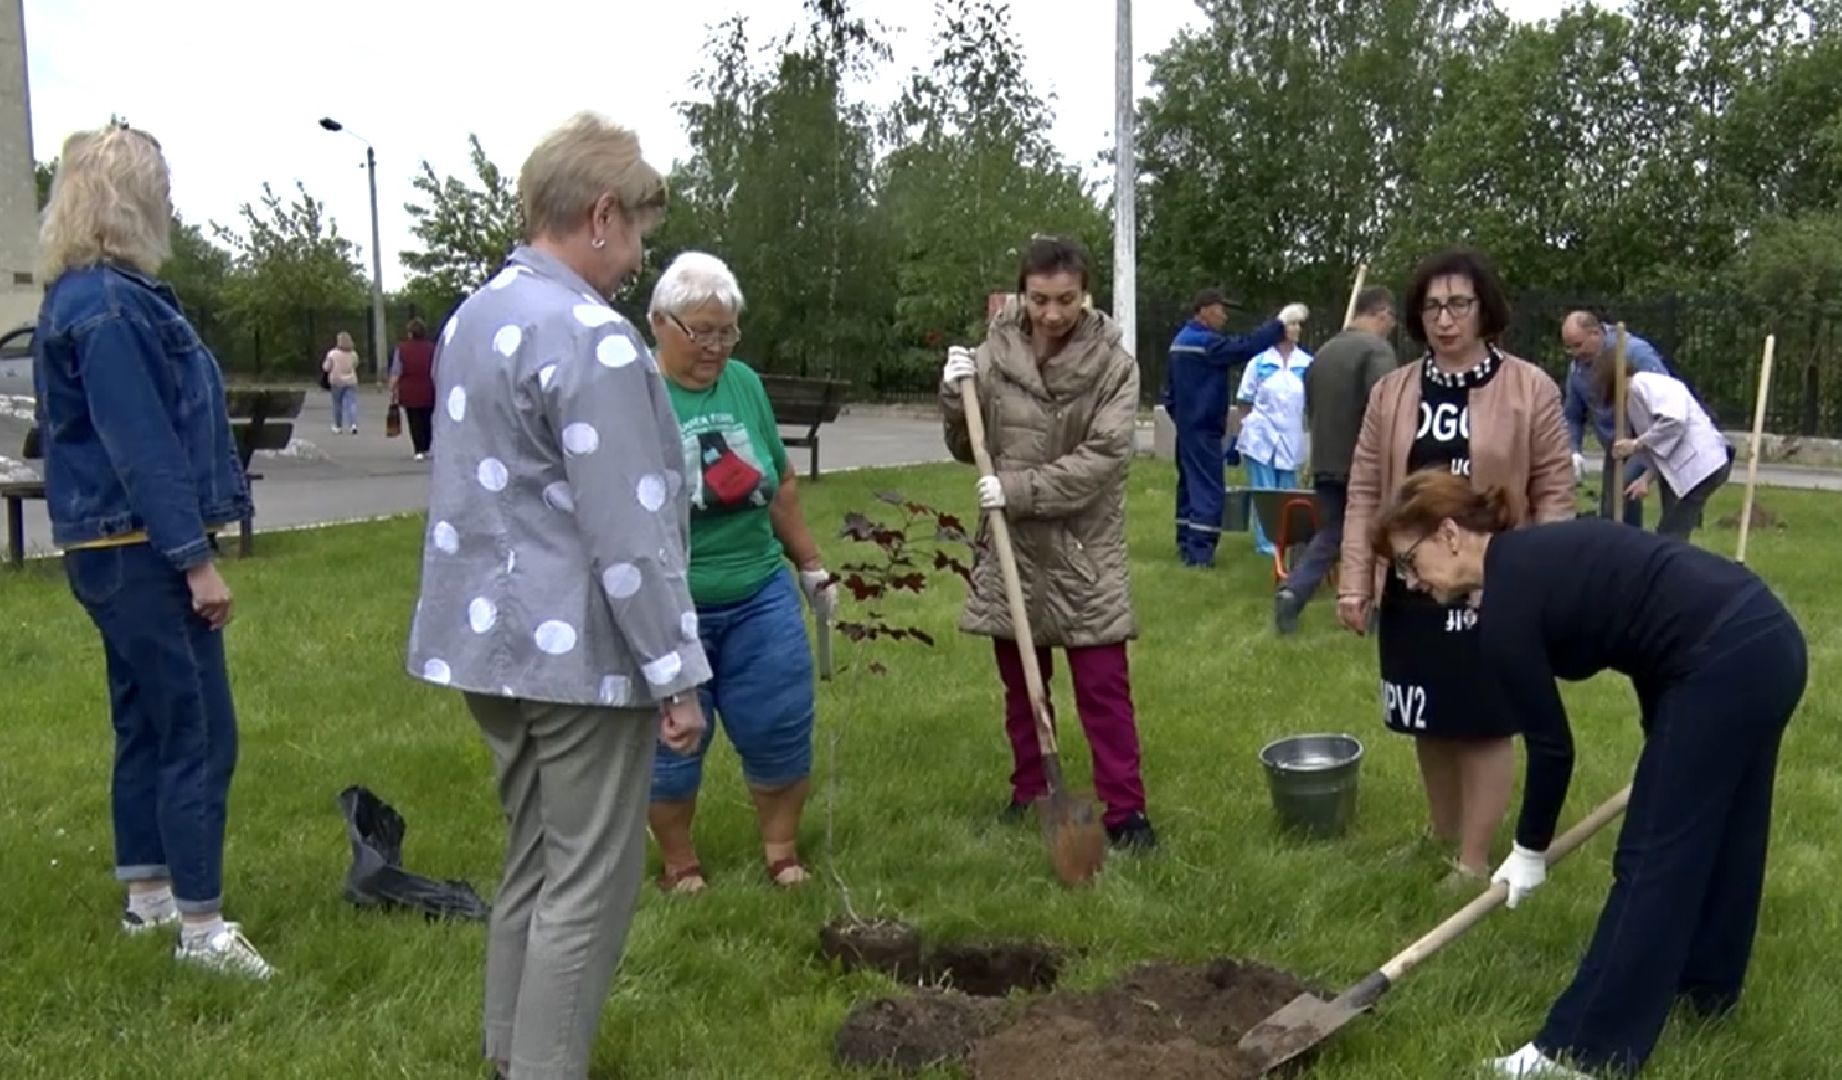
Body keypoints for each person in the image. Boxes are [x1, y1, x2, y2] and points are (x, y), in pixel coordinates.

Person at [403, 112, 710, 1080]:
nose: (634, 262)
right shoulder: (593, 337)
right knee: (589, 883)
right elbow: (629, 529)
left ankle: (507, 1058)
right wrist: (677, 672)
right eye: (639, 238)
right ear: (604, 213)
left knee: (534, 860)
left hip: (482, 641)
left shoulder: (475, 315)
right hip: (575, 653)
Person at [1369, 471, 1807, 1079]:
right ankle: (1706, 992)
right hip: (1768, 642)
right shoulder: (1529, 561)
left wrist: (1528, 850)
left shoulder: (1508, 600)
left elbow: (1552, 749)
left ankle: (1579, 1052)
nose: (1412, 583)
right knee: (1728, 830)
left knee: (1653, 859)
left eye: (1410, 563)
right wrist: (1670, 742)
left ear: (1449, 534)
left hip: (1723, 661)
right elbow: (1646, 623)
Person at [33, 121, 271, 977]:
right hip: (140, 548)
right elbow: (142, 446)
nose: (170, 205)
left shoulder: (88, 297)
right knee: (199, 734)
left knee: (145, 723)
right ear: (129, 200)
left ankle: (148, 900)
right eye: (160, 190)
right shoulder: (109, 308)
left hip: (109, 549)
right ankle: (202, 930)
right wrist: (195, 560)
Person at [1339, 247, 1574, 882]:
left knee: (1481, 719)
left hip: (1490, 584)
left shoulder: (1530, 388)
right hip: (1413, 584)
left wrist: (1542, 577)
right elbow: (1365, 491)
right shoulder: (1391, 392)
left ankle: (1472, 860)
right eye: (1432, 306)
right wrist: (1357, 580)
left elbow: (1555, 488)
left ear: (1483, 309)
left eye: (1459, 304)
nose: (1445, 319)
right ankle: (1441, 836)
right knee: (1427, 713)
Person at [940, 235, 1156, 850]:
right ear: (1022, 293)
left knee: (1103, 689)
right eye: (1040, 299)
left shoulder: (1114, 364)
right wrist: (953, 398)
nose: (1053, 313)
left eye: (1065, 299)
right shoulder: (992, 353)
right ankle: (1033, 790)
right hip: (1012, 550)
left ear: (1085, 294)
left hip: (1082, 551)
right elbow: (965, 447)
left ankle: (1125, 813)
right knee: (1021, 687)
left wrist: (1016, 488)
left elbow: (1104, 460)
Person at [643, 251, 839, 894]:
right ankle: (679, 862)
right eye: (702, 331)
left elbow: (779, 480)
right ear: (659, 323)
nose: (716, 346)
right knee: (669, 750)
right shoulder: (634, 396)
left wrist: (810, 564)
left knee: (779, 721)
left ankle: (780, 850)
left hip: (759, 592)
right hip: (672, 604)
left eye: (727, 331)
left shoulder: (744, 384)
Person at [1274, 286, 1398, 633]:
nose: (1391, 328)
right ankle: (1372, 609)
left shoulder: (1323, 354)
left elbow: (1310, 408)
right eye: (1390, 321)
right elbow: (1386, 407)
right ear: (1381, 313)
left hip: (1326, 459)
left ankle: (1293, 591)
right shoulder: (1377, 351)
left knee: (1333, 535)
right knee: (1380, 534)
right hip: (1365, 462)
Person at [1166, 288, 1310, 568]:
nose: (1225, 315)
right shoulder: (1206, 344)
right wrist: (1279, 325)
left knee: (1188, 488)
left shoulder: (1180, 341)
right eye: (1221, 309)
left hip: (1187, 428)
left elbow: (1169, 394)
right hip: (1204, 428)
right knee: (1209, 491)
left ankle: (1185, 542)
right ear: (1205, 310)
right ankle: (1200, 555)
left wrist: (1184, 420)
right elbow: (1244, 347)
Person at [1592, 347, 1734, 540]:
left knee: (1671, 533)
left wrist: (1635, 444)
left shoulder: (1643, 384)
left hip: (1703, 467)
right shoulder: (1633, 398)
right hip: (1692, 468)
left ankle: (1673, 567)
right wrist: (1646, 479)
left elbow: (1674, 421)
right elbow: (1662, 444)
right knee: (1672, 531)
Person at [1559, 312, 1665, 525]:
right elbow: (1573, 415)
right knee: (1618, 513)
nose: (1574, 353)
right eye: (1569, 347)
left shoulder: (1635, 352)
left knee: (1616, 502)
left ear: (1595, 333)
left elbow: (1666, 396)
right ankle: (1630, 552)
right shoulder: (1578, 368)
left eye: (1578, 345)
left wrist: (1643, 442)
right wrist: (1574, 452)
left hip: (1643, 443)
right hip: (1615, 448)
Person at [1234, 322, 1314, 557]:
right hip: (1261, 436)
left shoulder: (1307, 363)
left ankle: (1286, 538)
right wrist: (1247, 427)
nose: (1297, 329)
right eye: (1292, 324)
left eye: (1300, 325)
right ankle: (1266, 543)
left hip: (1290, 435)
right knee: (1264, 490)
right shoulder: (1259, 362)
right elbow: (1244, 399)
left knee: (1287, 490)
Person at [388, 318, 438, 460]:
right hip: (429, 389)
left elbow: (397, 370)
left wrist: (392, 388)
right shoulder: (432, 349)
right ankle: (427, 446)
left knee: (414, 420)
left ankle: (418, 449)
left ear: (410, 333)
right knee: (427, 418)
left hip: (409, 390)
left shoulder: (402, 349)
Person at [322, 331, 362, 434]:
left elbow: (327, 367)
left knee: (337, 404)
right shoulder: (353, 354)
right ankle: (353, 424)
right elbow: (355, 365)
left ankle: (338, 426)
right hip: (351, 381)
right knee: (352, 403)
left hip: (336, 382)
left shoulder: (332, 353)